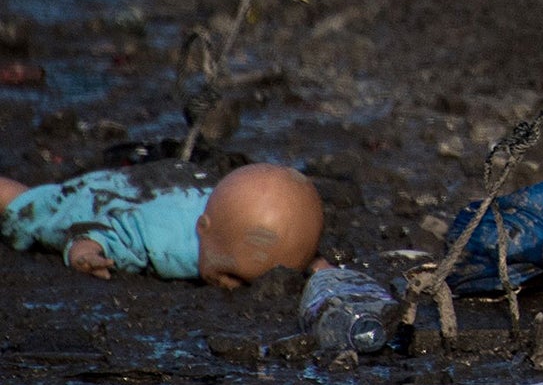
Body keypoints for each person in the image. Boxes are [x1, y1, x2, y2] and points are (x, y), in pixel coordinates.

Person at [0, 160, 324, 287]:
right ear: (202, 228)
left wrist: (322, 270)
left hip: (171, 181)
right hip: (110, 197)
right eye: (231, 276)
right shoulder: (159, 239)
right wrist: (85, 254)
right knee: (30, 205)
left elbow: (301, 253)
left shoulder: (232, 213)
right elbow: (100, 229)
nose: (234, 288)